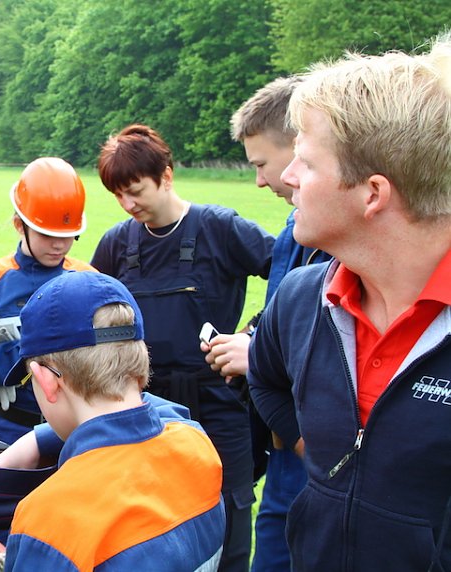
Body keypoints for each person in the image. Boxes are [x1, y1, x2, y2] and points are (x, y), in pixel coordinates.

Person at [248, 35, 451, 571]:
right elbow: (265, 379)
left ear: (373, 194)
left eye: (307, 163)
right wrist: (313, 452)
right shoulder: (298, 300)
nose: (287, 178)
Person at [90, 124, 275, 572]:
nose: (128, 205)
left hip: (217, 405)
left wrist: (252, 335)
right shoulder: (117, 243)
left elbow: (296, 279)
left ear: (166, 176)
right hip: (143, 409)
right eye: (119, 196)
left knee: (228, 518)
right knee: (147, 521)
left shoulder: (220, 228)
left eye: (135, 191)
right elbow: (86, 309)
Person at [0, 271, 226, 571]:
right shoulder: (196, 443)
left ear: (47, 381)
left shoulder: (51, 520)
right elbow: (163, 411)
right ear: (139, 361)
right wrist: (39, 438)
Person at [201, 77, 331, 572]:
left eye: (261, 164)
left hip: (319, 458)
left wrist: (257, 356)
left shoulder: (343, 239)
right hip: (282, 457)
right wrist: (254, 342)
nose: (259, 181)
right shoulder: (291, 235)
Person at [0, 156, 95, 571]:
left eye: (68, 235)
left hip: (74, 439)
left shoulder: (89, 280)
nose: (58, 245)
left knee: (63, 549)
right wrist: (34, 347)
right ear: (19, 225)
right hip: (7, 430)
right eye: (47, 234)